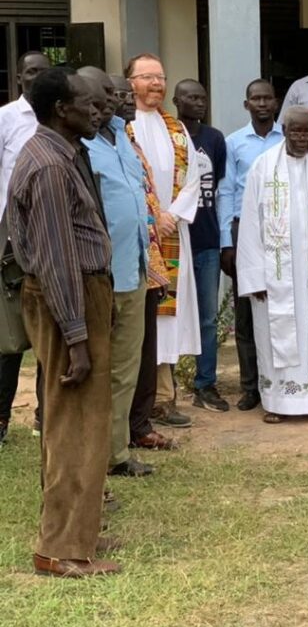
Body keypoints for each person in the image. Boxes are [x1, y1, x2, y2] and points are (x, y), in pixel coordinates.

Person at [9, 67, 118, 577]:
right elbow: (55, 256)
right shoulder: (50, 165)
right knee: (77, 424)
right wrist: (77, 335)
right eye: (86, 103)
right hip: (68, 300)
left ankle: (78, 531)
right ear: (61, 110)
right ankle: (61, 550)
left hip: (72, 295)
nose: (96, 110)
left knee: (72, 422)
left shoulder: (55, 151)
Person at [237, 107, 308, 422]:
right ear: (284, 130)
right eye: (296, 132)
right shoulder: (263, 167)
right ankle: (276, 403)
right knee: (274, 332)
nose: (302, 138)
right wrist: (254, 277)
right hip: (273, 275)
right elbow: (249, 224)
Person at [78, 68, 152, 478]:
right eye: (103, 94)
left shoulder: (122, 135)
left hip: (135, 269)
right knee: (98, 369)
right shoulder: (80, 144)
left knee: (126, 367)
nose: (112, 100)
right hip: (100, 276)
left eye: (116, 93)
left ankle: (116, 454)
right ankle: (92, 454)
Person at [126, 54, 200, 430]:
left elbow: (194, 178)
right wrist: (154, 216)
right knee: (143, 315)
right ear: (130, 82)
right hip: (139, 236)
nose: (156, 84)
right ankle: (141, 399)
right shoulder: (122, 127)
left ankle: (166, 397)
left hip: (173, 233)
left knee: (169, 316)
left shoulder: (177, 129)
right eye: (147, 77)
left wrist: (172, 215)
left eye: (160, 77)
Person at [112, 75, 175, 453]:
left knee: (145, 351)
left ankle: (140, 424)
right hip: (114, 270)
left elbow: (146, 206)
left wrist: (157, 267)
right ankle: (119, 435)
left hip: (145, 264)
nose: (121, 102)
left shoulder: (129, 140)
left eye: (122, 96)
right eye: (113, 95)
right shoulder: (91, 144)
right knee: (120, 360)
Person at [218, 79, 283, 411]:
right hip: (245, 233)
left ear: (276, 103)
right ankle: (250, 387)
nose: (261, 104)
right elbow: (226, 191)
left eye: (267, 98)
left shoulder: (288, 139)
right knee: (246, 312)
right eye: (255, 99)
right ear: (247, 105)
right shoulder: (233, 143)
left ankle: (281, 381)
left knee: (279, 308)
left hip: (282, 233)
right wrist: (226, 242)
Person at [0, 50, 50, 447]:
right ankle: (1, 420)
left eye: (43, 73)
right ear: (19, 77)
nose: (36, 78)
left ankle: (45, 417)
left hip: (49, 240)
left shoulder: (56, 117)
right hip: (12, 242)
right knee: (11, 339)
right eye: (31, 72)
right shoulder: (6, 118)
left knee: (52, 333)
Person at [173, 80, 228, 413]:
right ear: (176, 101)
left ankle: (205, 384)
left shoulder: (214, 139)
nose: (199, 102)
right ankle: (164, 389)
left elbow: (219, 186)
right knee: (168, 317)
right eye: (191, 97)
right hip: (172, 242)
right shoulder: (169, 137)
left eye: (202, 97)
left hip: (206, 241)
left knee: (207, 318)